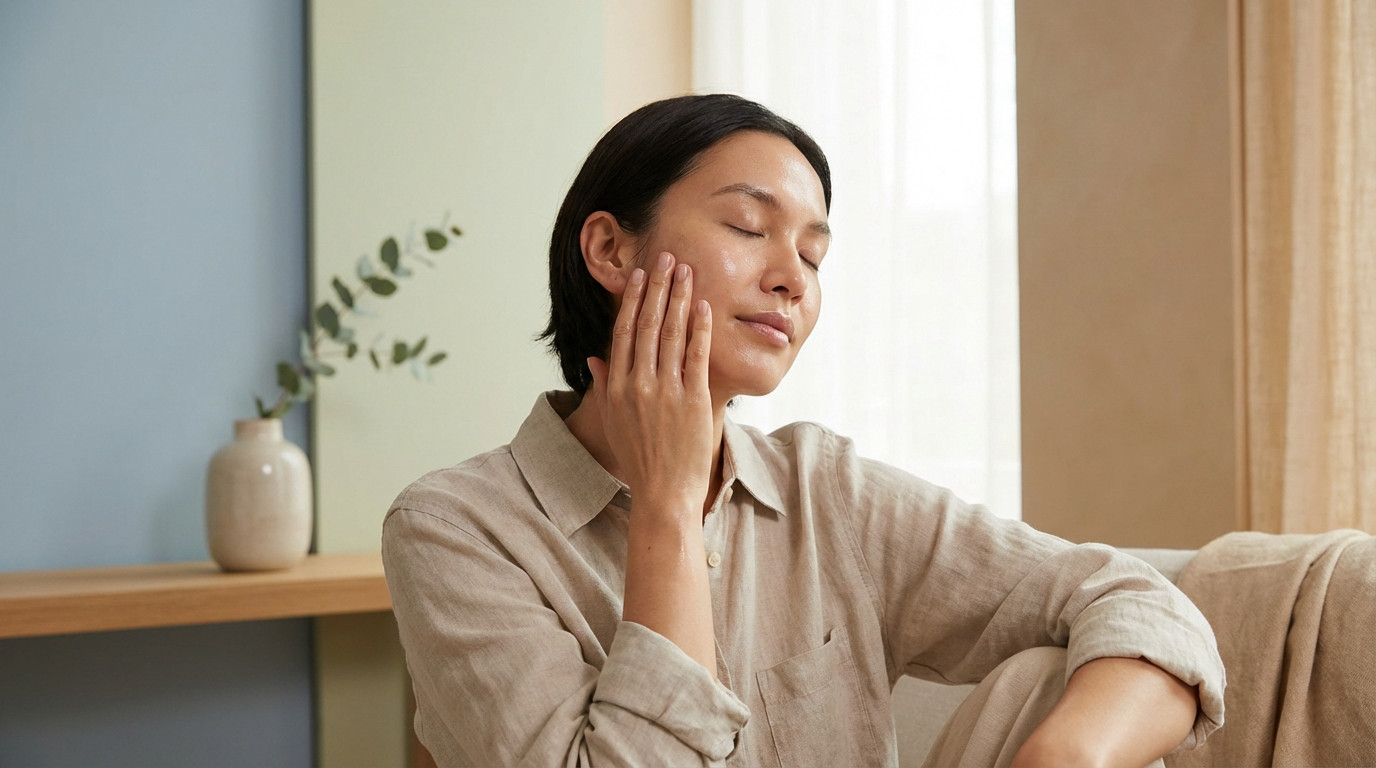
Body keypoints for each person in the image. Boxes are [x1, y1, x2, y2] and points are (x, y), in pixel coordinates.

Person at [382, 94, 1225, 767]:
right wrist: (669, 505)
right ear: (610, 250)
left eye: (814, 256)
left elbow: (1135, 600)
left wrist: (1067, 756)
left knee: (1052, 683)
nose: (792, 278)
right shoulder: (456, 529)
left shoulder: (827, 490)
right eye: (749, 229)